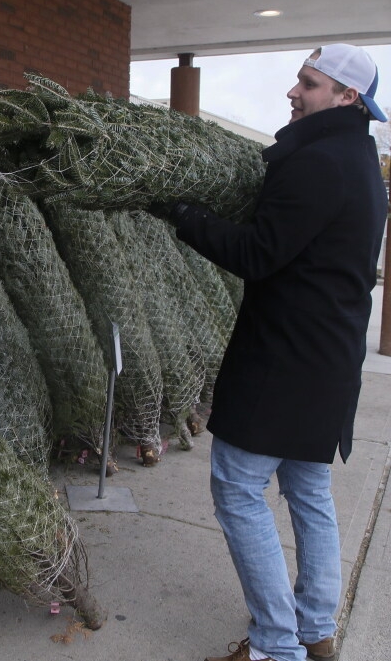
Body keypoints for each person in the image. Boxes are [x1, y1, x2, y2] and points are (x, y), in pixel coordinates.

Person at [162, 44, 388, 661]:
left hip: (286, 359)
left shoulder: (319, 162)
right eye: (297, 80)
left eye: (309, 84)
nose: (293, 92)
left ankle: (275, 647)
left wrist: (180, 211)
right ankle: (314, 627)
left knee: (237, 487)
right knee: (308, 489)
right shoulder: (358, 159)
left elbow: (258, 253)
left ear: (347, 98)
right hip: (327, 358)